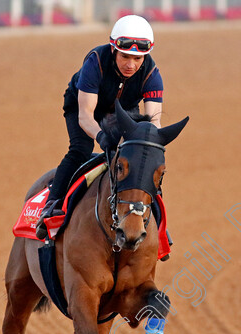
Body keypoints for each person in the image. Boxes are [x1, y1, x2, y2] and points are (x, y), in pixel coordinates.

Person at [36, 15, 164, 240]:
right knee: (80, 150)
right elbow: (86, 116)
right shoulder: (95, 61)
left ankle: (159, 228)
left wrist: (148, 148)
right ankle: (51, 206)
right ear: (114, 49)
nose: (131, 65)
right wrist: (101, 137)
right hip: (83, 106)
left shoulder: (152, 74)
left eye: (137, 58)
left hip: (121, 111)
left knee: (139, 160)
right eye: (125, 56)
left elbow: (154, 122)